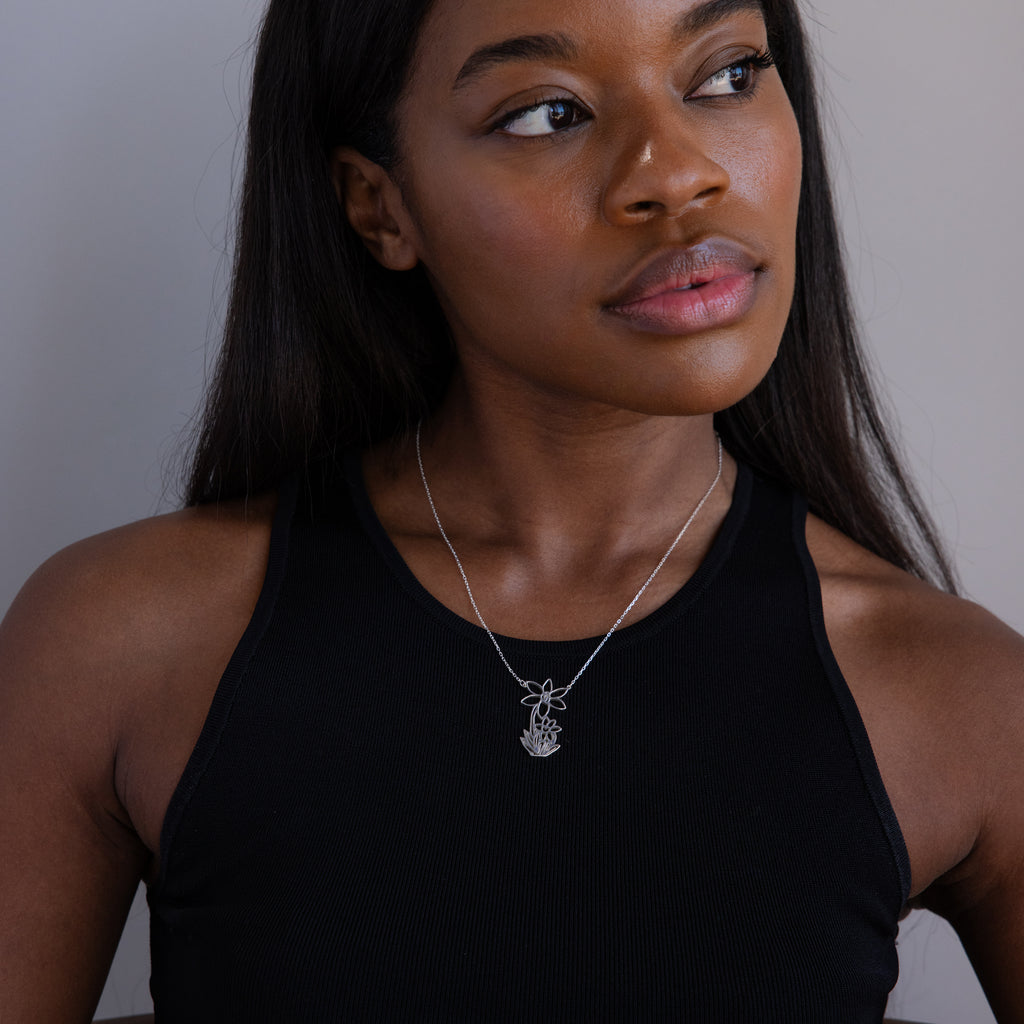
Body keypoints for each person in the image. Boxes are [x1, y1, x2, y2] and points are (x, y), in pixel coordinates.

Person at [1, 0, 1022, 1020]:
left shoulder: (956, 697)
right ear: (379, 206)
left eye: (725, 75)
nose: (676, 174)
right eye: (546, 113)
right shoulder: (121, 645)